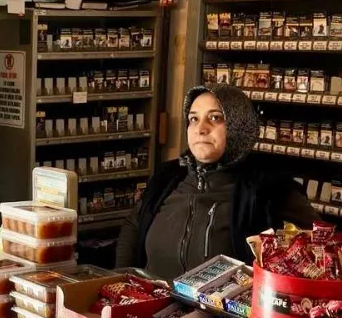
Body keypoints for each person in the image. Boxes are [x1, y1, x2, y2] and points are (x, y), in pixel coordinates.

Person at [116, 83, 315, 279]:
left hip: (225, 302)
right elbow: (134, 225)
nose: (201, 129)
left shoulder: (271, 189)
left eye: (215, 118)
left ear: (238, 125)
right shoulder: (166, 176)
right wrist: (120, 279)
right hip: (152, 297)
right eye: (194, 119)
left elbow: (318, 246)